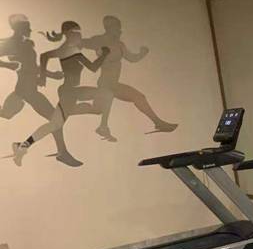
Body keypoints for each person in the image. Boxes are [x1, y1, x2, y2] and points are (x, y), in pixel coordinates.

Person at [11, 21, 110, 167]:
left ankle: (22, 146)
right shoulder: (69, 50)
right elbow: (93, 67)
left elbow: (45, 56)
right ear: (69, 34)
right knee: (105, 96)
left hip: (71, 91)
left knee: (54, 124)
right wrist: (104, 54)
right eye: (77, 33)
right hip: (70, 92)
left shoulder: (70, 49)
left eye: (79, 32)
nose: (80, 35)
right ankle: (96, 123)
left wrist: (43, 76)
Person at [82, 15, 177, 141]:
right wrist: (65, 37)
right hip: (105, 83)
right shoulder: (100, 40)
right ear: (109, 28)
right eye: (117, 27)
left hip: (113, 83)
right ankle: (102, 125)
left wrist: (142, 53)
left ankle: (158, 123)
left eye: (119, 27)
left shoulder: (120, 45)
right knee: (104, 101)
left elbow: (132, 58)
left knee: (138, 97)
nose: (120, 31)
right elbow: (82, 42)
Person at [0, 14, 70, 160]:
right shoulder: (10, 44)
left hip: (25, 90)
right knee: (56, 120)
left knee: (6, 114)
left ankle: (21, 147)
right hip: (27, 90)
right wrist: (8, 65)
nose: (30, 30)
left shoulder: (27, 44)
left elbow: (33, 66)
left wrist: (51, 74)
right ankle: (61, 152)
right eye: (27, 27)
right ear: (19, 28)